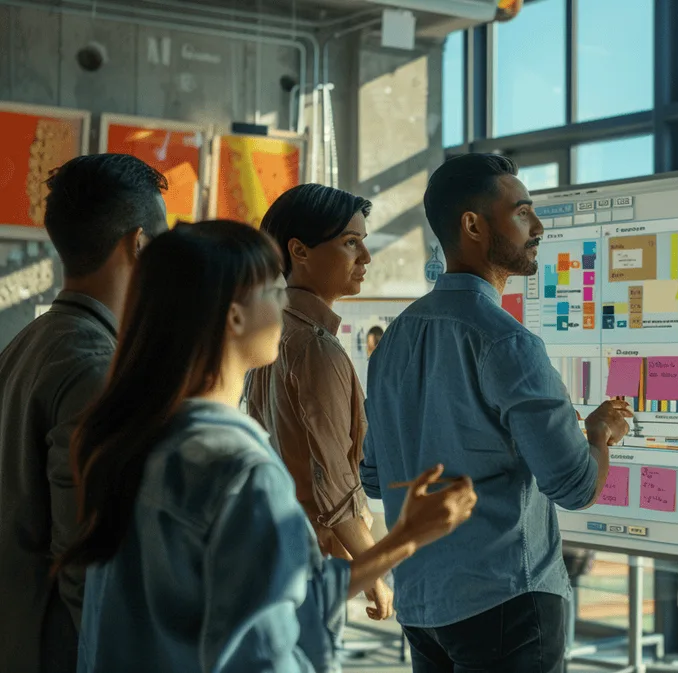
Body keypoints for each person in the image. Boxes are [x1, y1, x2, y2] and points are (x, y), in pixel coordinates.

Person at [57, 220, 477, 672]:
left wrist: (403, 539)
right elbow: (266, 651)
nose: (285, 308)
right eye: (275, 293)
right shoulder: (240, 470)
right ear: (233, 316)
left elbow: (271, 596)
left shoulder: (135, 441)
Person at [361, 153, 633, 673]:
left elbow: (373, 477)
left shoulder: (392, 342)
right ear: (473, 225)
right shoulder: (507, 342)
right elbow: (576, 486)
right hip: (507, 604)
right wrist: (600, 433)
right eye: (523, 212)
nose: (538, 226)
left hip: (421, 607)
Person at [0, 154, 168, 673]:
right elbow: (87, 564)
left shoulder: (28, 342)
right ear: (138, 244)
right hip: (65, 651)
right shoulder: (97, 367)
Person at [244, 183, 391, 624]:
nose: (364, 257)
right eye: (350, 243)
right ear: (299, 250)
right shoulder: (315, 347)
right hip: (310, 562)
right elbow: (335, 486)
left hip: (273, 549)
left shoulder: (267, 333)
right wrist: (375, 576)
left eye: (363, 243)